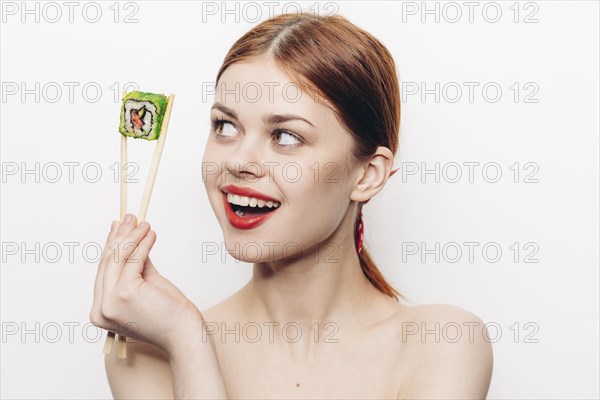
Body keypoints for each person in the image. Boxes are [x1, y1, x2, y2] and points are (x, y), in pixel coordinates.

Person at [90, 11, 493, 399]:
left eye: (285, 136)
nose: (238, 162)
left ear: (367, 174)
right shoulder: (146, 354)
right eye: (225, 127)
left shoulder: (442, 343)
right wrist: (186, 338)